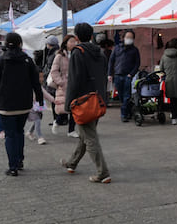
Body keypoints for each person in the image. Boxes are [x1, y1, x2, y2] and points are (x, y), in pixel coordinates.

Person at [61, 22, 111, 183]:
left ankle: (103, 172)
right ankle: (72, 163)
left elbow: (74, 81)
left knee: (89, 137)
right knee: (86, 134)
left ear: (76, 37)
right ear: (91, 36)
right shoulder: (100, 53)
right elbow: (104, 77)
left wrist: (68, 104)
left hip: (82, 102)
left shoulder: (78, 53)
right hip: (98, 99)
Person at [0, 32, 43, 176]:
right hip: (24, 103)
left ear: (5, 44)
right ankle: (19, 160)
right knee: (19, 131)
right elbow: (35, 82)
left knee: (10, 135)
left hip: (5, 104)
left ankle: (13, 166)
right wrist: (40, 100)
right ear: (20, 44)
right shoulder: (27, 60)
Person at [108, 30, 141, 122]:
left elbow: (137, 63)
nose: (129, 39)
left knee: (126, 96)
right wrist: (110, 73)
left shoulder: (134, 50)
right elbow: (111, 61)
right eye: (127, 37)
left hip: (128, 76)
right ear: (123, 38)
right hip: (117, 75)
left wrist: (131, 74)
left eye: (131, 37)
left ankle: (124, 115)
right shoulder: (117, 48)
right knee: (121, 96)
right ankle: (128, 111)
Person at [50, 34, 79, 138]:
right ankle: (57, 122)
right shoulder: (60, 56)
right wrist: (60, 82)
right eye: (71, 41)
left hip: (75, 84)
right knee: (63, 108)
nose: (73, 43)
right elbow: (54, 71)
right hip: (64, 85)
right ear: (65, 43)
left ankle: (71, 130)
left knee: (74, 108)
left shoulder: (77, 53)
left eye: (75, 41)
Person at [159, 38, 177, 125]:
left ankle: (174, 118)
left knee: (172, 100)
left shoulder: (164, 56)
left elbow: (161, 69)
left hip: (169, 80)